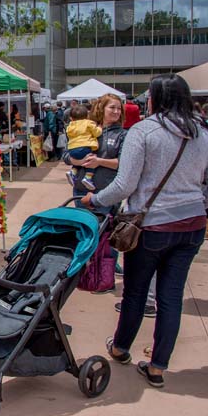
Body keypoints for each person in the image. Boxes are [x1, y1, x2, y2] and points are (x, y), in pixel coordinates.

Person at [82, 74, 208, 389]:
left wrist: (95, 198)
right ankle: (158, 366)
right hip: (191, 227)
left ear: (154, 100)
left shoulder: (144, 132)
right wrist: (192, 203)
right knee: (170, 296)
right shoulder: (202, 133)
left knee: (135, 291)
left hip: (150, 228)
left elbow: (124, 184)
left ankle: (120, 348)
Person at [63, 93, 127, 293]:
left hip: (107, 193)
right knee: (86, 232)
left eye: (119, 109)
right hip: (81, 192)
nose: (116, 112)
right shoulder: (87, 128)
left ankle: (103, 277)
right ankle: (86, 272)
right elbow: (66, 155)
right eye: (112, 108)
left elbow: (125, 163)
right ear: (101, 108)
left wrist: (100, 162)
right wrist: (77, 161)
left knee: (106, 236)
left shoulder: (122, 135)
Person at [64, 104, 102, 190]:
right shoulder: (88, 123)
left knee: (78, 161)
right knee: (91, 161)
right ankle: (88, 177)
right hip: (85, 147)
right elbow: (97, 133)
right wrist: (99, 128)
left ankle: (73, 172)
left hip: (72, 149)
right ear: (87, 115)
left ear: (71, 118)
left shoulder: (70, 125)